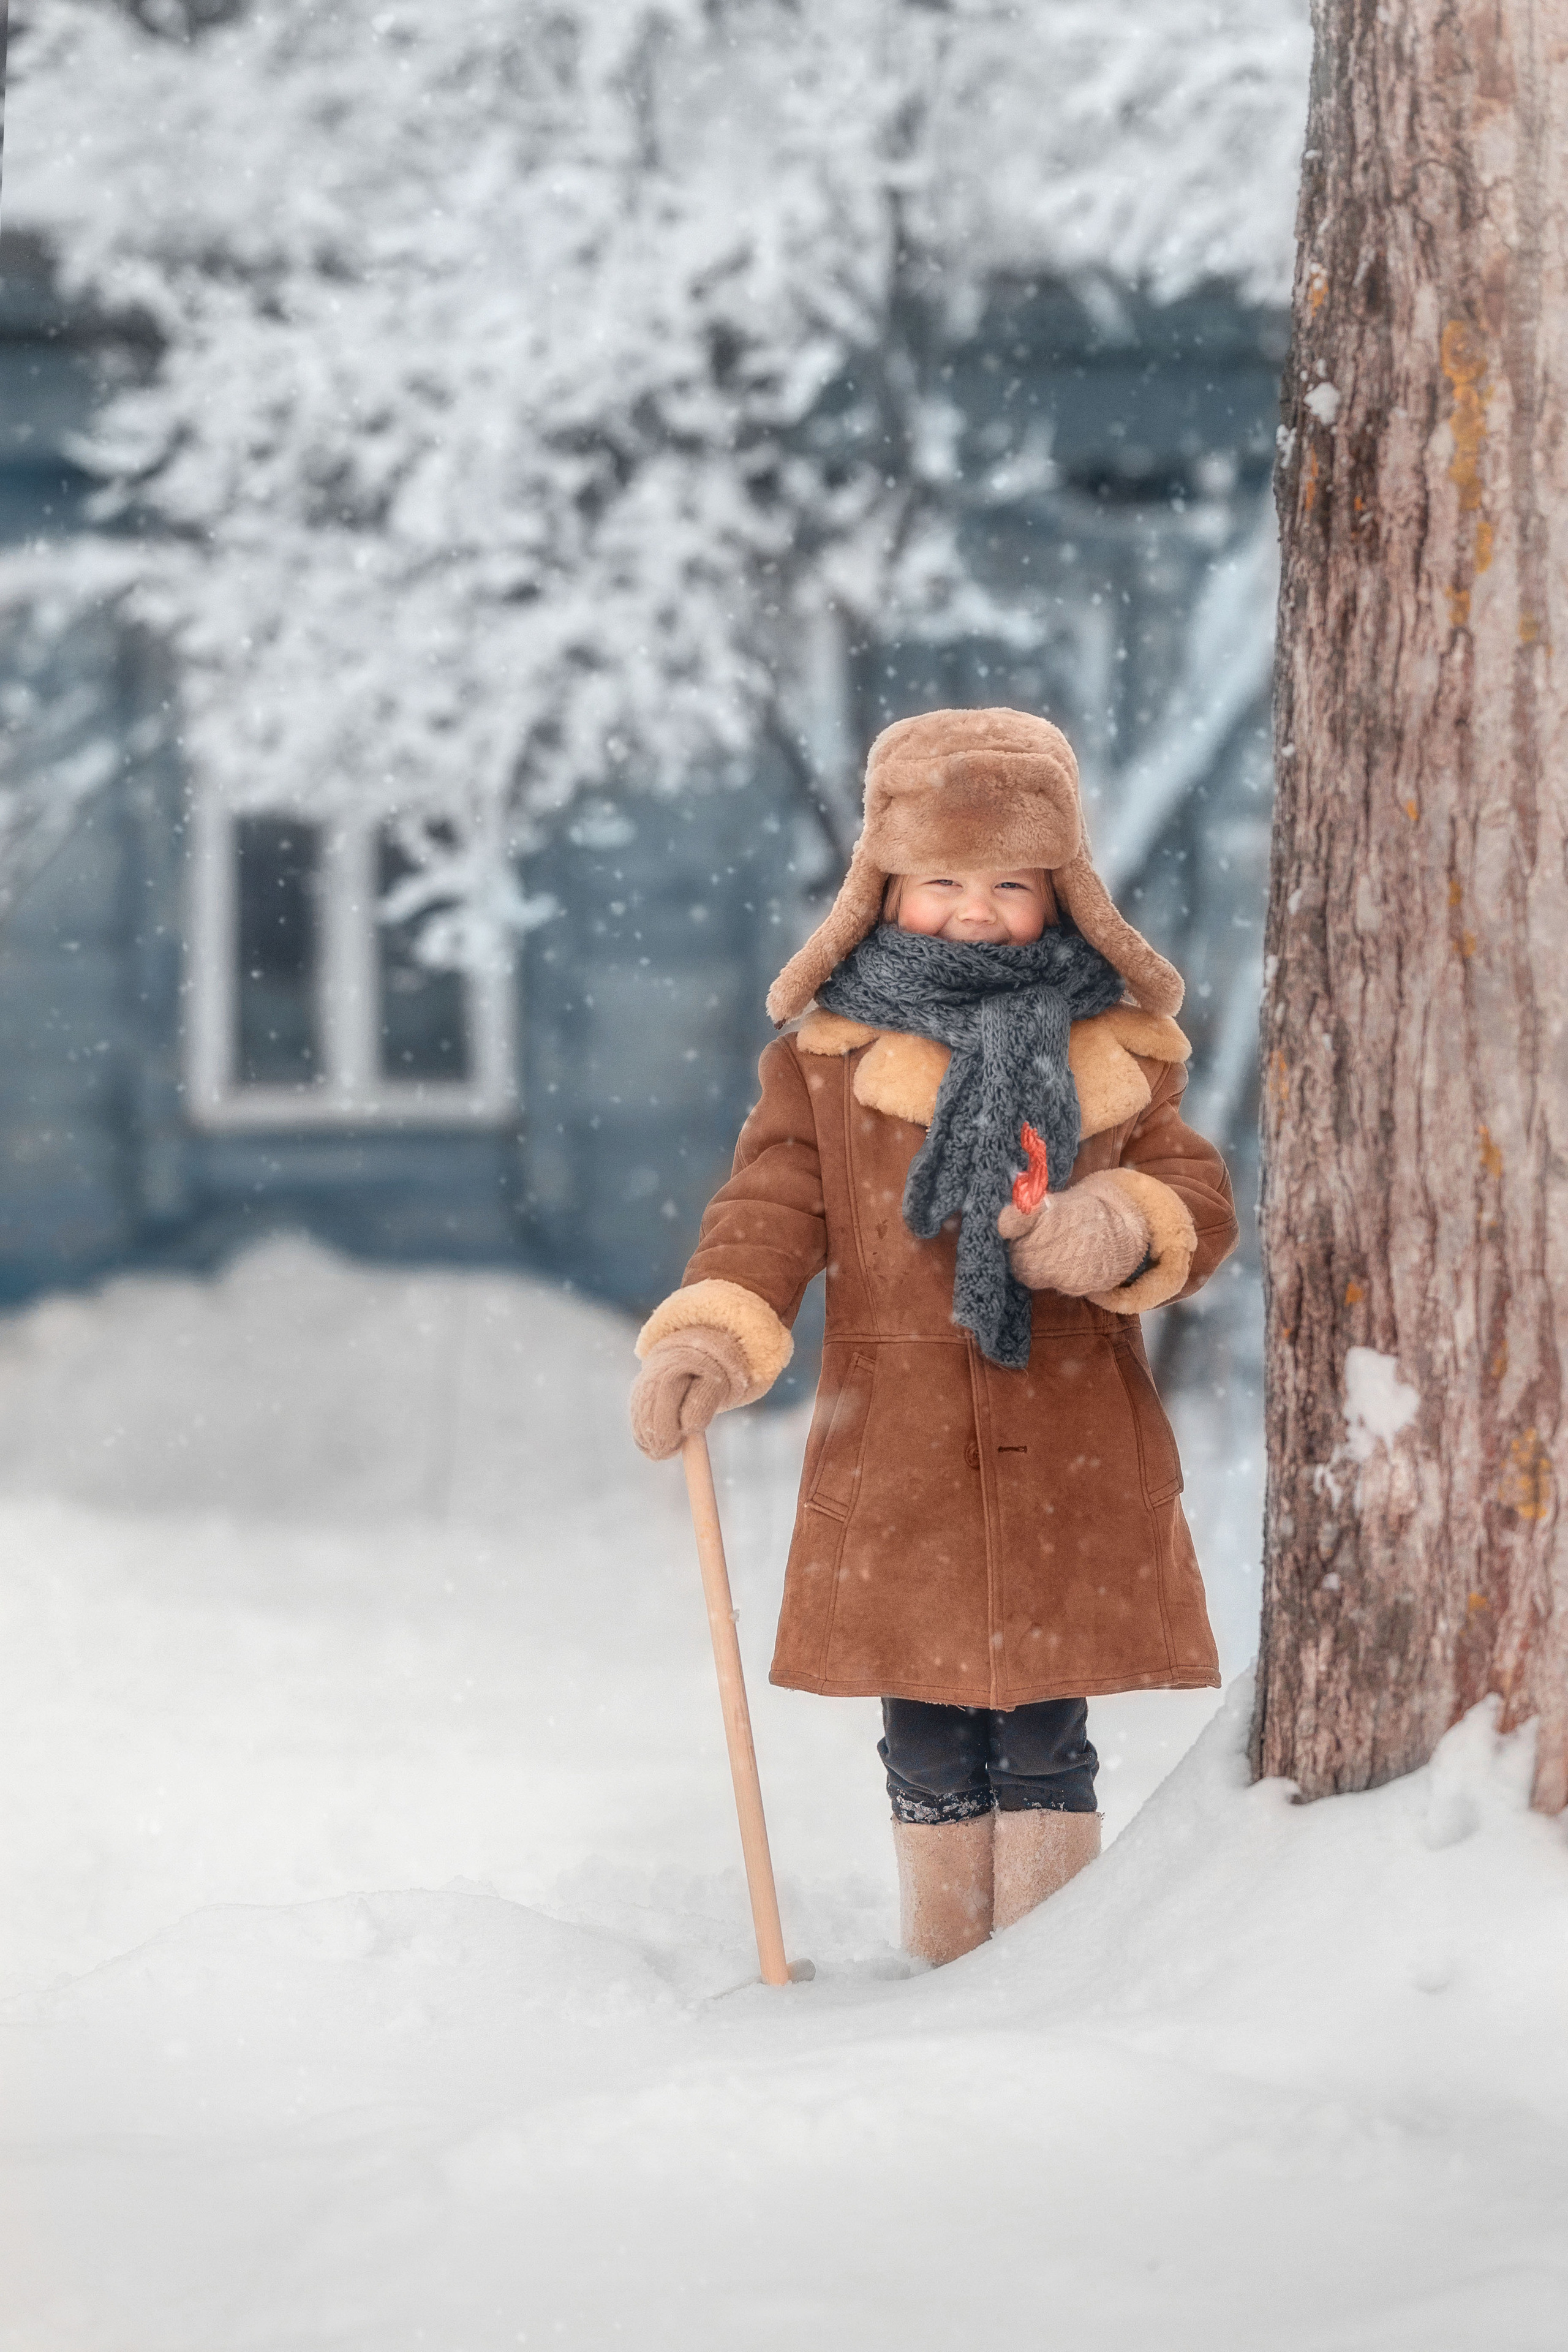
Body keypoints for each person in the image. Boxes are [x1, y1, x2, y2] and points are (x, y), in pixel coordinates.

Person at [629, 707, 1238, 1965]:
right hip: (899, 1446)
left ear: (1061, 892)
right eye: (943, 883)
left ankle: (1044, 1965)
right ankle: (948, 1964)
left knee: (1044, 1731)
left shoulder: (1116, 1050)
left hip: (1064, 1433)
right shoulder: (826, 1059)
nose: (975, 912)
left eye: (1010, 885)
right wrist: (711, 1337)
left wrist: (1107, 1227)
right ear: (884, 886)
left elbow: (1196, 1196)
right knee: (925, 1731)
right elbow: (768, 1212)